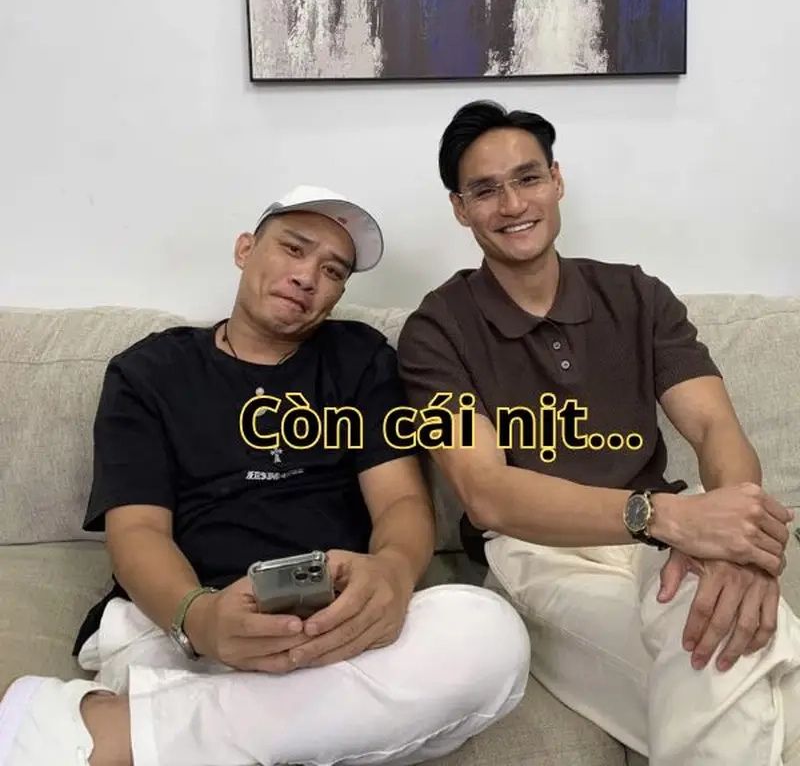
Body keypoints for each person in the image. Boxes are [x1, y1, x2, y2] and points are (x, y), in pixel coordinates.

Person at [0, 185, 530, 766]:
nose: (308, 277)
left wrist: (395, 573)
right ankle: (287, 731)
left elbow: (400, 501)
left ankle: (119, 730)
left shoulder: (361, 359)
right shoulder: (148, 371)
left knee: (490, 633)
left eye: (333, 271)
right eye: (294, 249)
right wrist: (200, 619)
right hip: (185, 627)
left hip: (335, 626)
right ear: (245, 249)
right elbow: (138, 532)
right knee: (399, 709)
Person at [396, 101, 800, 766]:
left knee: (720, 640)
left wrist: (739, 546)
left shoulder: (637, 296)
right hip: (540, 550)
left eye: (528, 178)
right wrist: (662, 516)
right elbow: (486, 492)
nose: (512, 204)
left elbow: (714, 426)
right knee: (729, 661)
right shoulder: (435, 332)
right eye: (485, 190)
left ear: (557, 180)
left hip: (664, 539)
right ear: (460, 209)